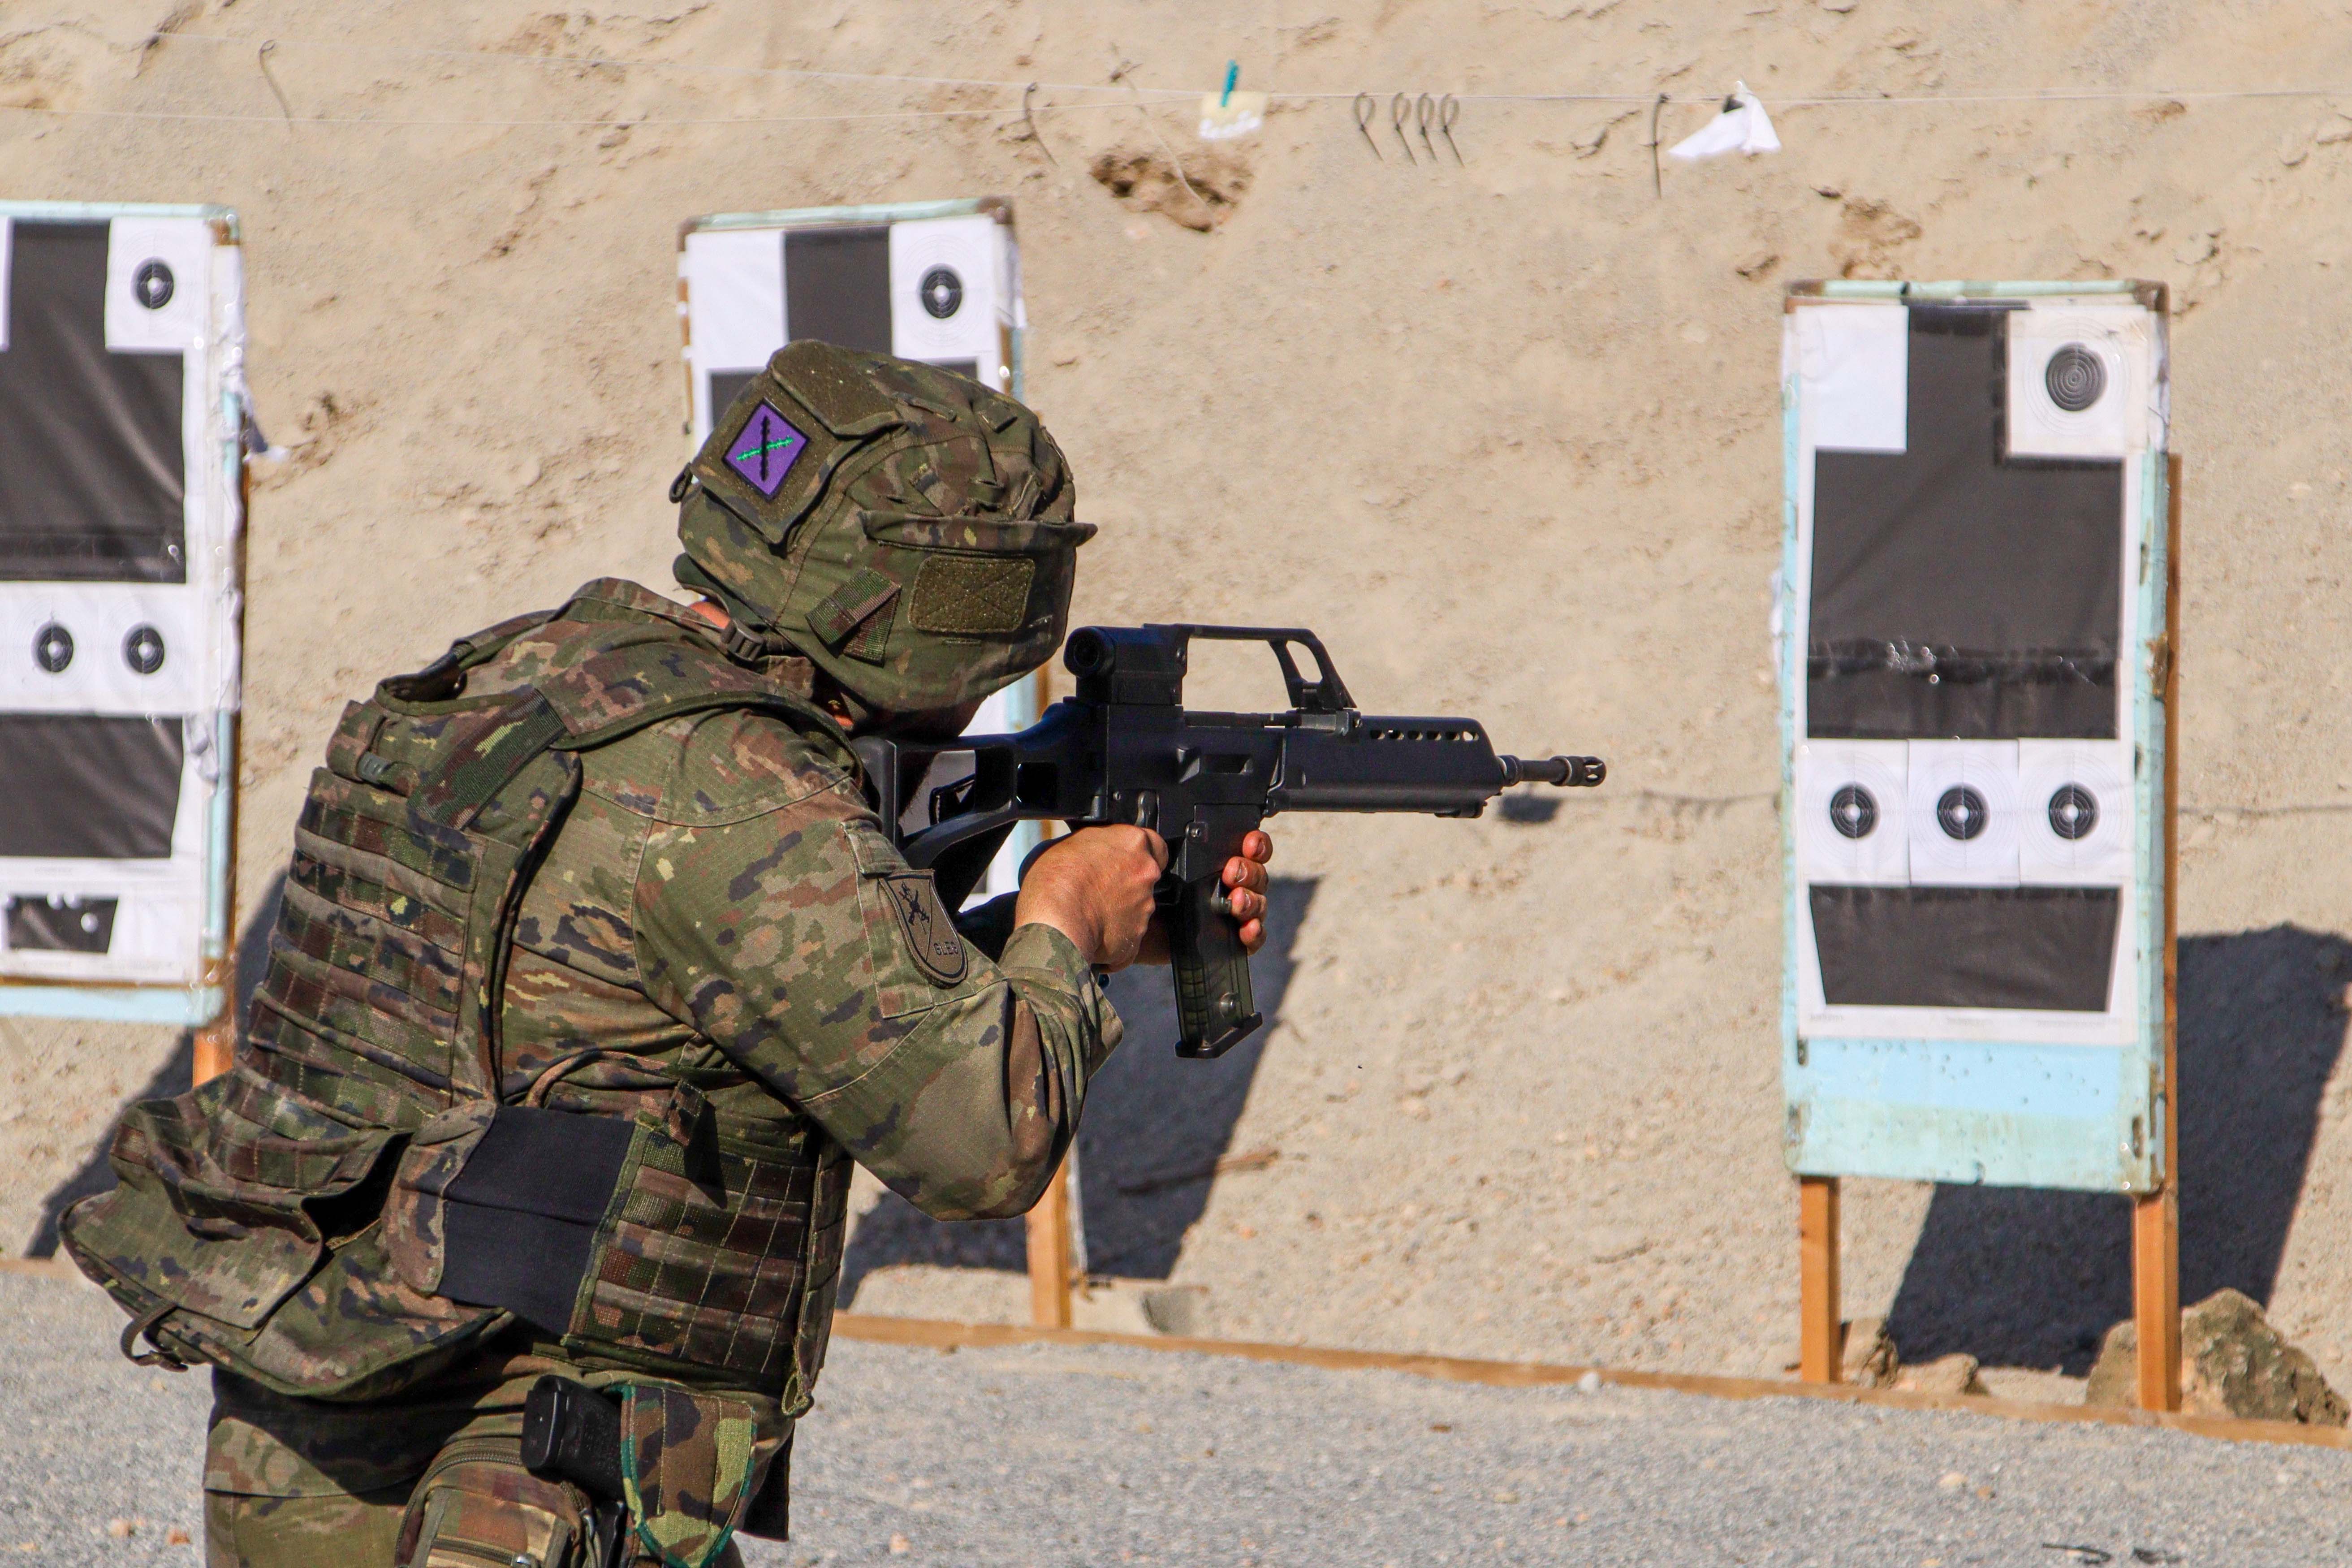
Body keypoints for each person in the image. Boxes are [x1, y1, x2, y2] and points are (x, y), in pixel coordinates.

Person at [60, 342, 1274, 1568]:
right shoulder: (738, 791)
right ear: (937, 615)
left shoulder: (504, 683)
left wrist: (1016, 949)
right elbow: (980, 1140)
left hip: (306, 1439)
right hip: (532, 1475)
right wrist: (1062, 920)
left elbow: (677, 1022)